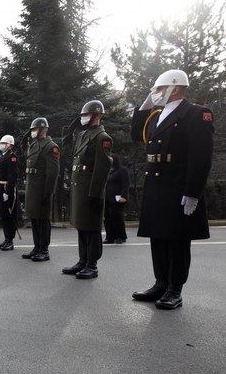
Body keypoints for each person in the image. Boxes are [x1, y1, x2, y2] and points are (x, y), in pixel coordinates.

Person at [130, 69, 213, 310]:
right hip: (157, 184)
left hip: (178, 184)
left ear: (174, 88)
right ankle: (160, 282)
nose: (153, 94)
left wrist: (193, 192)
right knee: (158, 236)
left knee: (177, 239)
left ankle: (175, 288)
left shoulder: (197, 114)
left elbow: (201, 157)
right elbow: (137, 135)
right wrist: (143, 108)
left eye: (157, 89)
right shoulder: (156, 115)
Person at [62, 100, 112, 279]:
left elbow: (102, 168)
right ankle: (82, 260)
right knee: (81, 226)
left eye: (86, 115)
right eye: (82, 116)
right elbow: (65, 145)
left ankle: (92, 264)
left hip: (90, 190)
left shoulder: (102, 137)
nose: (83, 118)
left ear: (97, 115)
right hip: (79, 188)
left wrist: (95, 194)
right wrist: (72, 128)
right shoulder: (83, 135)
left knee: (91, 228)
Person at [22, 117, 60, 262]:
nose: (33, 132)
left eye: (35, 129)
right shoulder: (33, 144)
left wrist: (48, 192)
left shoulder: (51, 146)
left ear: (44, 129)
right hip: (33, 187)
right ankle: (37, 247)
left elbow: (53, 172)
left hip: (42, 188)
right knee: (35, 219)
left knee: (43, 220)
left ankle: (44, 250)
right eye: (32, 130)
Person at [0, 135, 19, 251]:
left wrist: (7, 191)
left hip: (7, 188)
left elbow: (12, 176)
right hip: (0, 187)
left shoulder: (12, 157)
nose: (1, 145)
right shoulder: (3, 157)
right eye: (1, 143)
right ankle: (6, 239)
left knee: (9, 215)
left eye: (3, 143)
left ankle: (10, 241)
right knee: (3, 215)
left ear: (10, 145)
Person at [103, 154, 129, 244]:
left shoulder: (122, 170)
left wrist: (124, 196)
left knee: (116, 217)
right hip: (106, 198)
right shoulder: (107, 171)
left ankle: (121, 236)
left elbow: (126, 184)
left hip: (117, 198)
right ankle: (110, 237)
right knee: (107, 218)